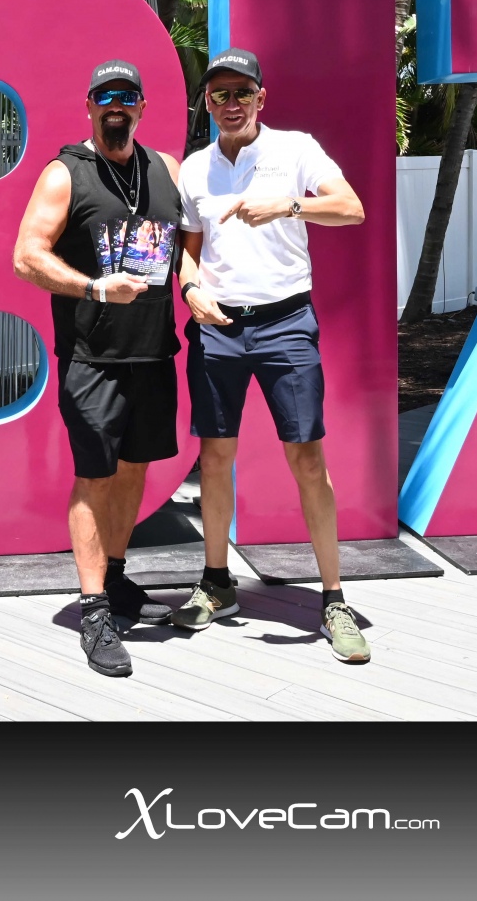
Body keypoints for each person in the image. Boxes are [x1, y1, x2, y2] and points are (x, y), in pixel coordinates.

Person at [171, 47, 373, 664]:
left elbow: (352, 208)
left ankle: (333, 599)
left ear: (262, 97)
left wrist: (288, 204)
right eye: (219, 94)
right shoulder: (195, 169)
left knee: (307, 458)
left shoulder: (296, 149)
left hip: (286, 322)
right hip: (219, 329)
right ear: (208, 103)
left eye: (242, 92)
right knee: (214, 458)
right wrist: (190, 290)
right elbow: (189, 248)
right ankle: (216, 582)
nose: (230, 103)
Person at [12, 59, 183, 678]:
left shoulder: (166, 169)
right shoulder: (66, 173)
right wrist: (93, 287)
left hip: (153, 353)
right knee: (94, 477)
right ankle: (94, 613)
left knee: (134, 470)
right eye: (106, 96)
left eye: (127, 97)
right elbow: (26, 256)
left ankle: (114, 577)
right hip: (92, 360)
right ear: (89, 105)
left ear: (142, 107)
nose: (117, 105)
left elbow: (189, 245)